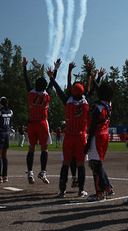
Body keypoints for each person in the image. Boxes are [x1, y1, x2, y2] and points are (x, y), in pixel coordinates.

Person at [48, 62, 94, 197]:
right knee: (81, 165)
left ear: (73, 92)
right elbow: (91, 89)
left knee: (65, 164)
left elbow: (57, 88)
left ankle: (62, 190)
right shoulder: (86, 102)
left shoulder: (67, 101)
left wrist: (52, 78)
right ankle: (81, 190)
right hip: (81, 137)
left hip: (69, 137)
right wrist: (90, 72)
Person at [23, 57, 59, 185]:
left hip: (32, 123)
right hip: (43, 123)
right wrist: (55, 70)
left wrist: (24, 67)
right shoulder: (46, 94)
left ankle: (30, 171)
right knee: (44, 149)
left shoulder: (31, 93)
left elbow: (26, 80)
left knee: (31, 148)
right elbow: (51, 84)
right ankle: (43, 171)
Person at [85, 79, 115, 201]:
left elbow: (92, 127)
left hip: (97, 136)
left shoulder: (97, 108)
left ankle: (100, 192)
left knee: (95, 165)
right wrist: (93, 78)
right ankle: (107, 187)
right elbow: (101, 91)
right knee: (98, 164)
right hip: (105, 135)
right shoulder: (109, 104)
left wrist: (87, 144)